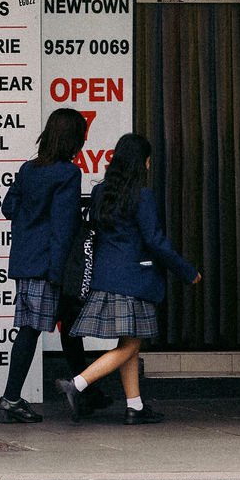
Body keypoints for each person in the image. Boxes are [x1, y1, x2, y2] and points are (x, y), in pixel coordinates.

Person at [59, 133, 198, 424]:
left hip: (105, 278)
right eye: (148, 160)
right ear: (142, 162)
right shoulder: (142, 196)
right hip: (134, 280)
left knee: (129, 343)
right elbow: (155, 241)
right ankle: (79, 384)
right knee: (131, 346)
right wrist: (186, 270)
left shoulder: (101, 193)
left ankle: (134, 406)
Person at [0, 108, 87, 423]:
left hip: (26, 261)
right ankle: (9, 400)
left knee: (69, 327)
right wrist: (60, 275)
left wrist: (30, 219)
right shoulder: (68, 174)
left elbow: (8, 207)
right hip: (48, 266)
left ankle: (87, 392)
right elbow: (63, 229)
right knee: (33, 330)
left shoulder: (28, 169)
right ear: (73, 140)